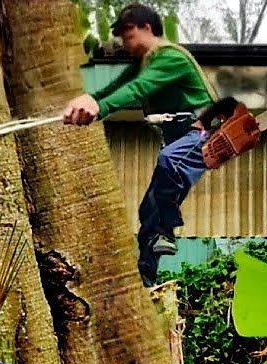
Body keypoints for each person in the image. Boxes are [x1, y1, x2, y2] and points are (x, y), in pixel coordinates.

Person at [62, 2, 219, 287]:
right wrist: (88, 103)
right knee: (149, 209)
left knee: (169, 160)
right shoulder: (143, 64)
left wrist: (98, 107)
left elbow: (137, 90)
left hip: (205, 134)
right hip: (183, 140)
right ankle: (145, 277)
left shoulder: (170, 57)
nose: (124, 41)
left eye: (128, 33)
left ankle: (166, 232)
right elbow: (111, 90)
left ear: (147, 28)